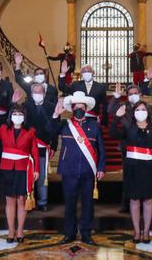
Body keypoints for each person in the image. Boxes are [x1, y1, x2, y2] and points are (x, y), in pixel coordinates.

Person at [47, 92, 106, 245]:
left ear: (86, 109)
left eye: (82, 107)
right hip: (69, 170)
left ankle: (86, 233)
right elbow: (50, 131)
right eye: (76, 107)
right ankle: (69, 233)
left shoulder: (94, 126)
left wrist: (101, 167)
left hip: (88, 171)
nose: (79, 109)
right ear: (72, 109)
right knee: (70, 204)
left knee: (88, 204)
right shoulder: (65, 124)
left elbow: (101, 149)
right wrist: (55, 115)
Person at [109, 101, 152, 243]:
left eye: (143, 109)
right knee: (134, 200)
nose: (140, 112)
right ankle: (136, 232)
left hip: (150, 168)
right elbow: (112, 133)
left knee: (148, 200)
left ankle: (146, 232)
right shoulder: (128, 128)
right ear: (133, 113)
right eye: (138, 110)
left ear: (147, 112)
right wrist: (116, 118)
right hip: (132, 168)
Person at [0, 104, 40, 243]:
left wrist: (37, 169)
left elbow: (35, 152)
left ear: (24, 117)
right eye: (15, 114)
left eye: (20, 114)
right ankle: (11, 231)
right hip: (7, 168)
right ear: (10, 116)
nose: (17, 117)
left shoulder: (30, 131)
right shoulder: (3, 129)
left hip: (23, 169)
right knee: (10, 201)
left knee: (21, 200)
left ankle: (20, 230)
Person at [108, 83, 152, 213]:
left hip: (146, 147)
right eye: (130, 94)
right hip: (127, 146)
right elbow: (109, 110)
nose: (133, 96)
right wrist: (116, 96)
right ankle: (127, 203)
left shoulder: (149, 108)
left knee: (146, 176)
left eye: (135, 93)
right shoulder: (123, 106)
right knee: (129, 176)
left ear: (140, 94)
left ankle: (147, 202)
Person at [24, 83, 57, 212]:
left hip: (43, 145)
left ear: (44, 93)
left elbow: (54, 127)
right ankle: (29, 199)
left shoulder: (51, 106)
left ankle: (42, 202)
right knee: (29, 174)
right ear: (31, 94)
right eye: (35, 91)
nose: (37, 94)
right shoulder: (25, 106)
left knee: (42, 176)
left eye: (40, 91)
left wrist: (53, 145)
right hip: (28, 146)